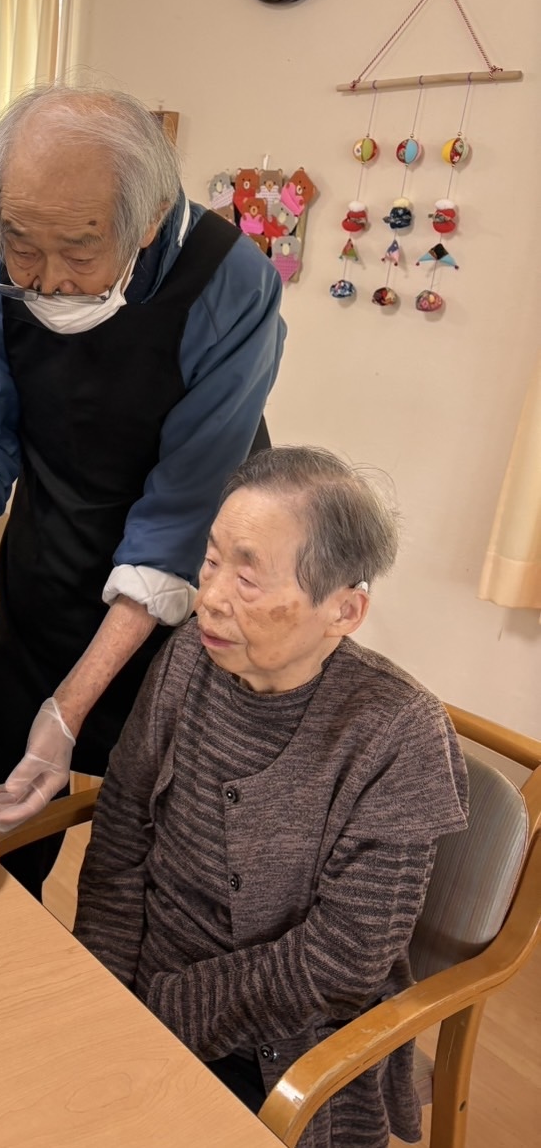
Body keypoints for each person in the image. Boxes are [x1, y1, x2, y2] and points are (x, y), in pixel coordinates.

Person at [0, 83, 285, 891]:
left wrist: (71, 707)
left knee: (158, 835)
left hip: (189, 594)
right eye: (24, 244)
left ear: (149, 219)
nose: (48, 279)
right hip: (52, 561)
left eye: (80, 250)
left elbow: (180, 513)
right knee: (0, 826)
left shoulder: (230, 283)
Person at [72, 447, 468, 1148]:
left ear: (344, 609)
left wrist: (159, 1014)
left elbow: (343, 960)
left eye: (248, 577)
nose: (210, 597)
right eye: (211, 561)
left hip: (284, 1046)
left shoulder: (397, 734)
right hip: (136, 994)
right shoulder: (189, 656)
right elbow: (122, 831)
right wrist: (100, 991)